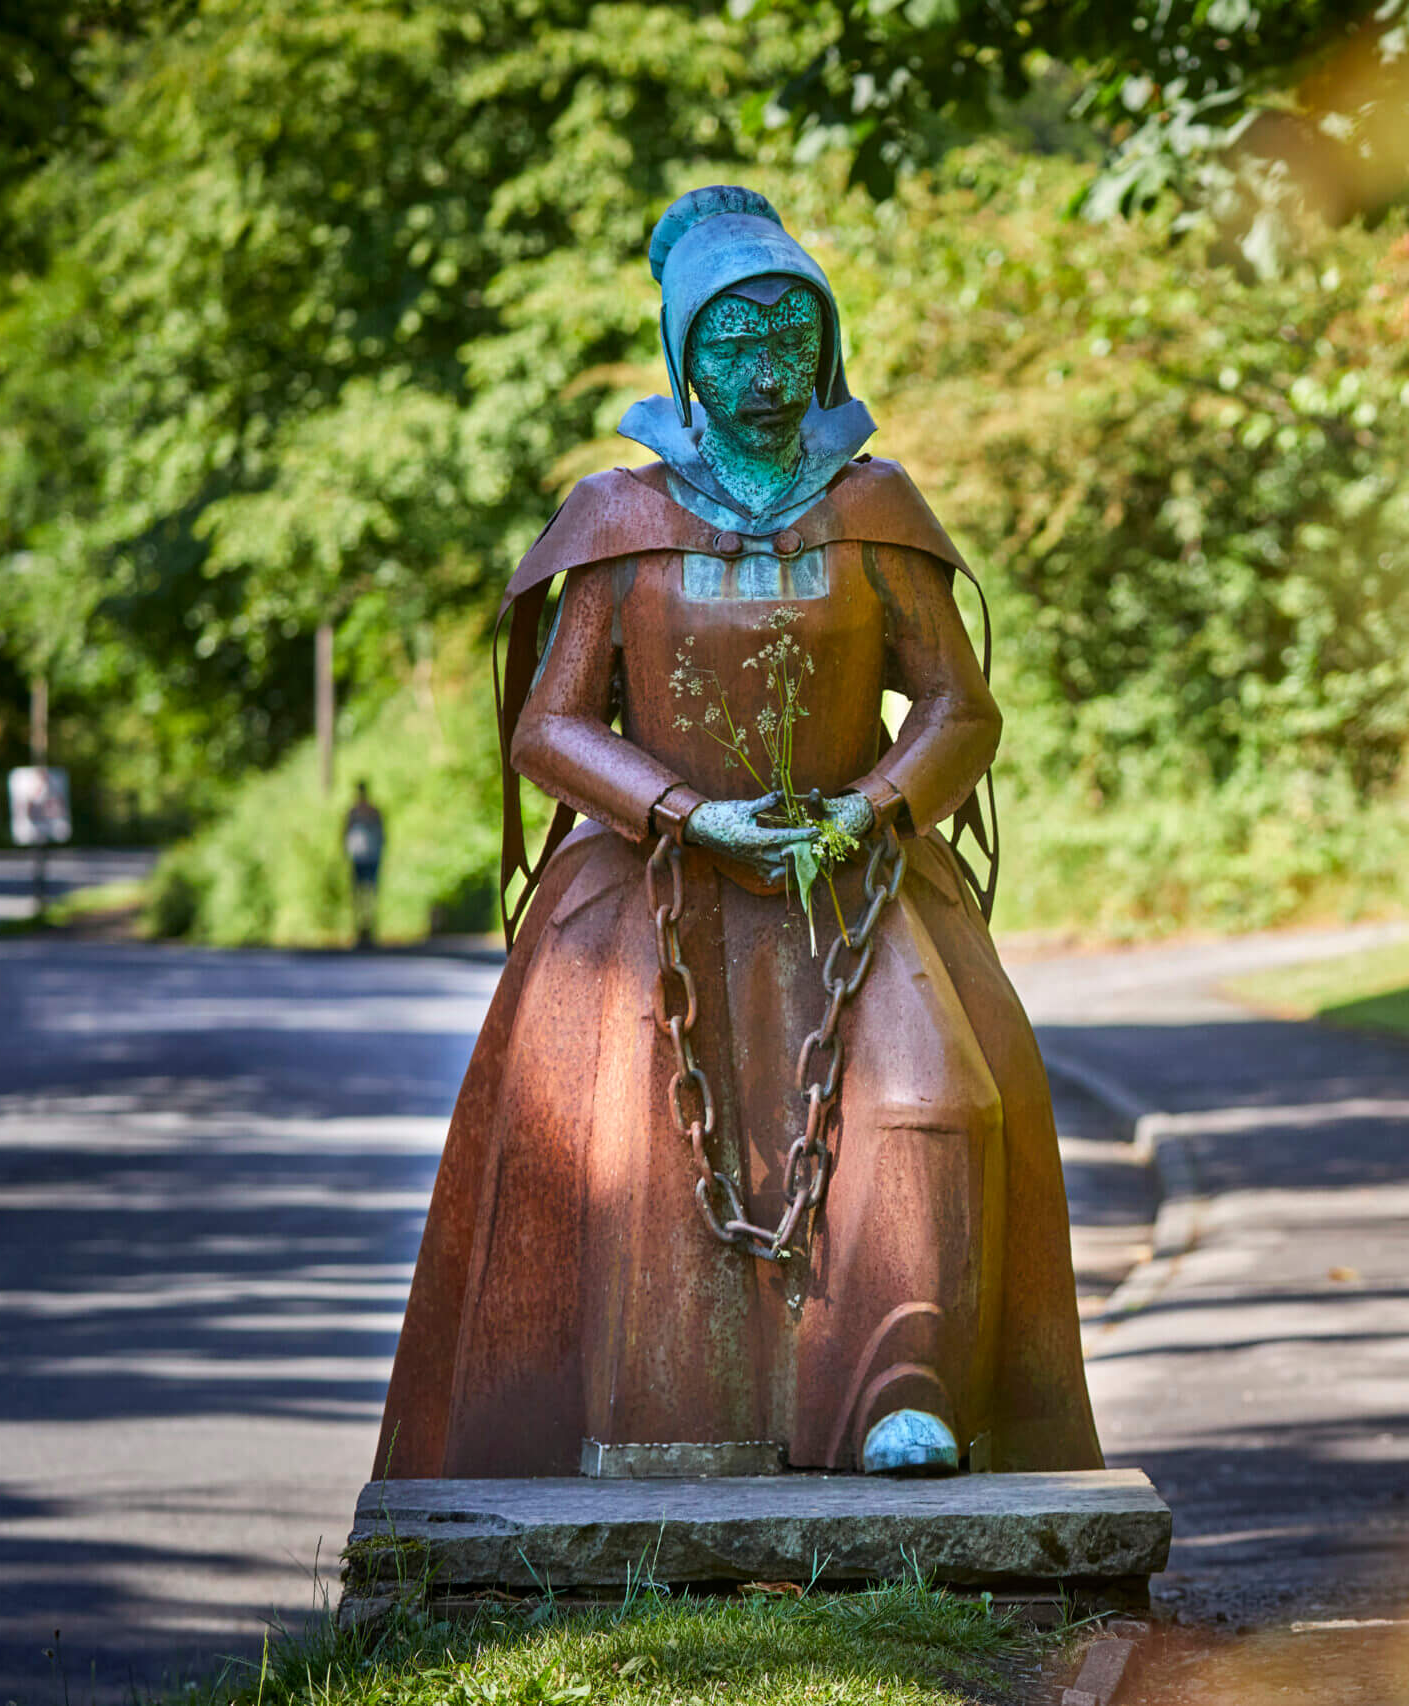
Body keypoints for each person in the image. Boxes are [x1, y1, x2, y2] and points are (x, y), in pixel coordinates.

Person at [371, 186, 1102, 1481]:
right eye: (729, 341)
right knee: (632, 1139)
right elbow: (548, 727)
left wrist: (865, 809)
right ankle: (665, 1421)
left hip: (858, 872)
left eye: (788, 336)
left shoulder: (874, 510)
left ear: (825, 347)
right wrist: (686, 812)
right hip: (652, 884)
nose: (764, 371)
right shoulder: (614, 522)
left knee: (937, 1094)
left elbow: (956, 706)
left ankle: (898, 1394)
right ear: (681, 357)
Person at [343, 781, 385, 948]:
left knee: (369, 893)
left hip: (370, 855)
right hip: (359, 855)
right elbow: (345, 832)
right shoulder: (354, 812)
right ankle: (360, 927)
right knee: (359, 893)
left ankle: (369, 926)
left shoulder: (372, 812)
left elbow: (382, 833)